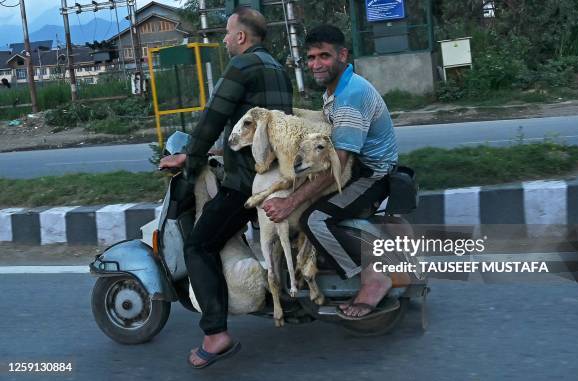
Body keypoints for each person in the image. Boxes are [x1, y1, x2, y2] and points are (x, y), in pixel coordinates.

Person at [159, 6, 293, 368]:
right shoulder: (279, 69)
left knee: (199, 244)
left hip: (247, 182)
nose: (224, 39)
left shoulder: (241, 66)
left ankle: (215, 334)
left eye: (227, 33)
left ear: (242, 37)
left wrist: (190, 157)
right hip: (275, 175)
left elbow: (212, 118)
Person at [262, 25, 399, 320]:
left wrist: (289, 202)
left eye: (324, 56)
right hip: (357, 167)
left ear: (342, 55)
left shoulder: (350, 96)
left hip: (371, 175)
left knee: (315, 219)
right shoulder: (336, 89)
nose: (316, 64)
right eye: (311, 58)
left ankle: (373, 278)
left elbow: (336, 164)